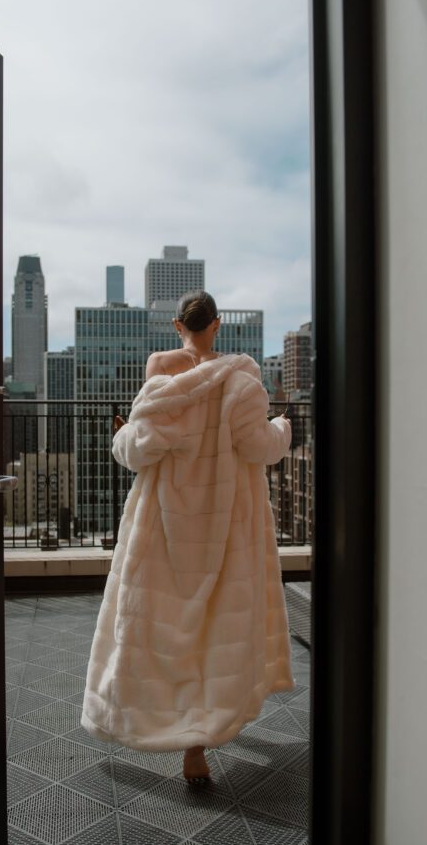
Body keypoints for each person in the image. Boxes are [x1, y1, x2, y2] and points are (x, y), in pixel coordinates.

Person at [81, 290, 294, 784]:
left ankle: (144, 716)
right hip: (225, 528)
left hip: (164, 524)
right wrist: (282, 427)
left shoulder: (163, 380)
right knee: (216, 630)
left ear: (179, 325)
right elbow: (260, 447)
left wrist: (121, 433)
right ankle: (198, 746)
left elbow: (136, 453)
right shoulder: (242, 382)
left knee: (158, 627)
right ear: (216, 324)